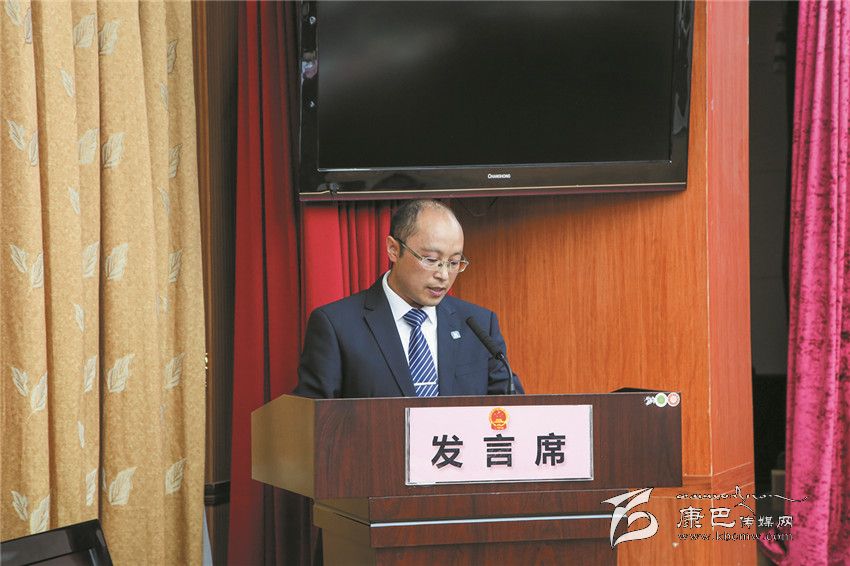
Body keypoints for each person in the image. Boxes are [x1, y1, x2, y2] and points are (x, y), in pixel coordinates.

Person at [294, 199, 521, 398]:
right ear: (393, 249)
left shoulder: (479, 326)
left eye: (454, 262)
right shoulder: (337, 326)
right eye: (431, 260)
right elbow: (314, 420)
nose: (443, 275)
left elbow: (513, 411)